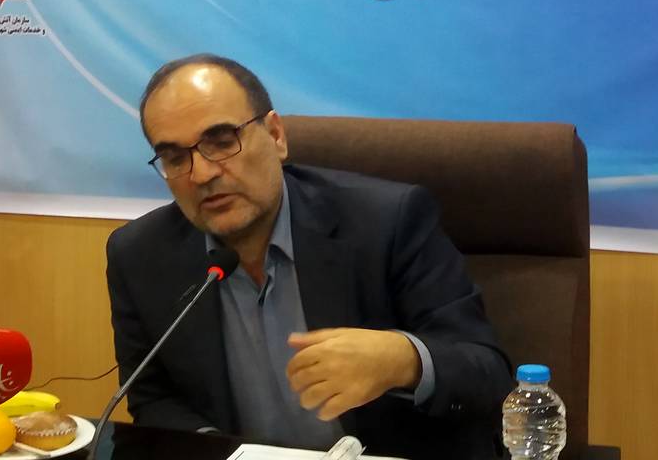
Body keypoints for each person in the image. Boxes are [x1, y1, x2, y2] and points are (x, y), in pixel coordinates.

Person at [105, 55, 514, 459]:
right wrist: (215, 451)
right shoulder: (139, 256)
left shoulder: (387, 222)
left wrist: (404, 360)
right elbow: (152, 397)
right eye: (176, 158)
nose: (202, 174)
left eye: (222, 141)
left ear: (276, 136)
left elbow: (489, 375)